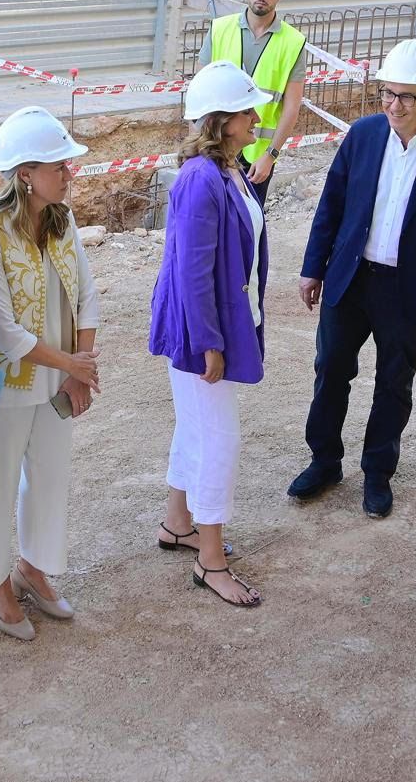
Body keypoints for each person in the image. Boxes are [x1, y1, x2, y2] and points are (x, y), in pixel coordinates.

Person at [289, 39, 416, 518]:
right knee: (331, 369)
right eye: (387, 94)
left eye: (406, 97)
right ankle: (324, 461)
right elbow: (331, 206)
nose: (394, 106)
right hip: (349, 279)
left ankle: (377, 472)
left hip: (409, 289)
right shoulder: (363, 134)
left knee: (394, 382)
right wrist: (313, 267)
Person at [0, 107, 100, 641]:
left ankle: (33, 568)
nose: (69, 172)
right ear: (24, 174)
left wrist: (78, 373)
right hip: (3, 384)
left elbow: (87, 296)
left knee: (49, 478)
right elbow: (1, 332)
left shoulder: (62, 223)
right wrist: (74, 365)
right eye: (58, 164)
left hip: (57, 381)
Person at [148, 61, 274, 608]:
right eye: (248, 110)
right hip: (204, 330)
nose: (256, 117)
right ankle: (211, 560)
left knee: (195, 426)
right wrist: (209, 344)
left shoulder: (226, 168)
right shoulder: (203, 179)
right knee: (219, 437)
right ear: (222, 120)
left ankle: (178, 523)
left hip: (215, 321)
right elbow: (191, 272)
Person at [201, 0, 306, 203]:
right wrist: (200, 146)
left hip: (257, 155)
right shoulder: (219, 30)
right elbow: (200, 95)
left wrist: (270, 155)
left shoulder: (293, 42)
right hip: (216, 147)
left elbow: (291, 108)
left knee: (250, 228)